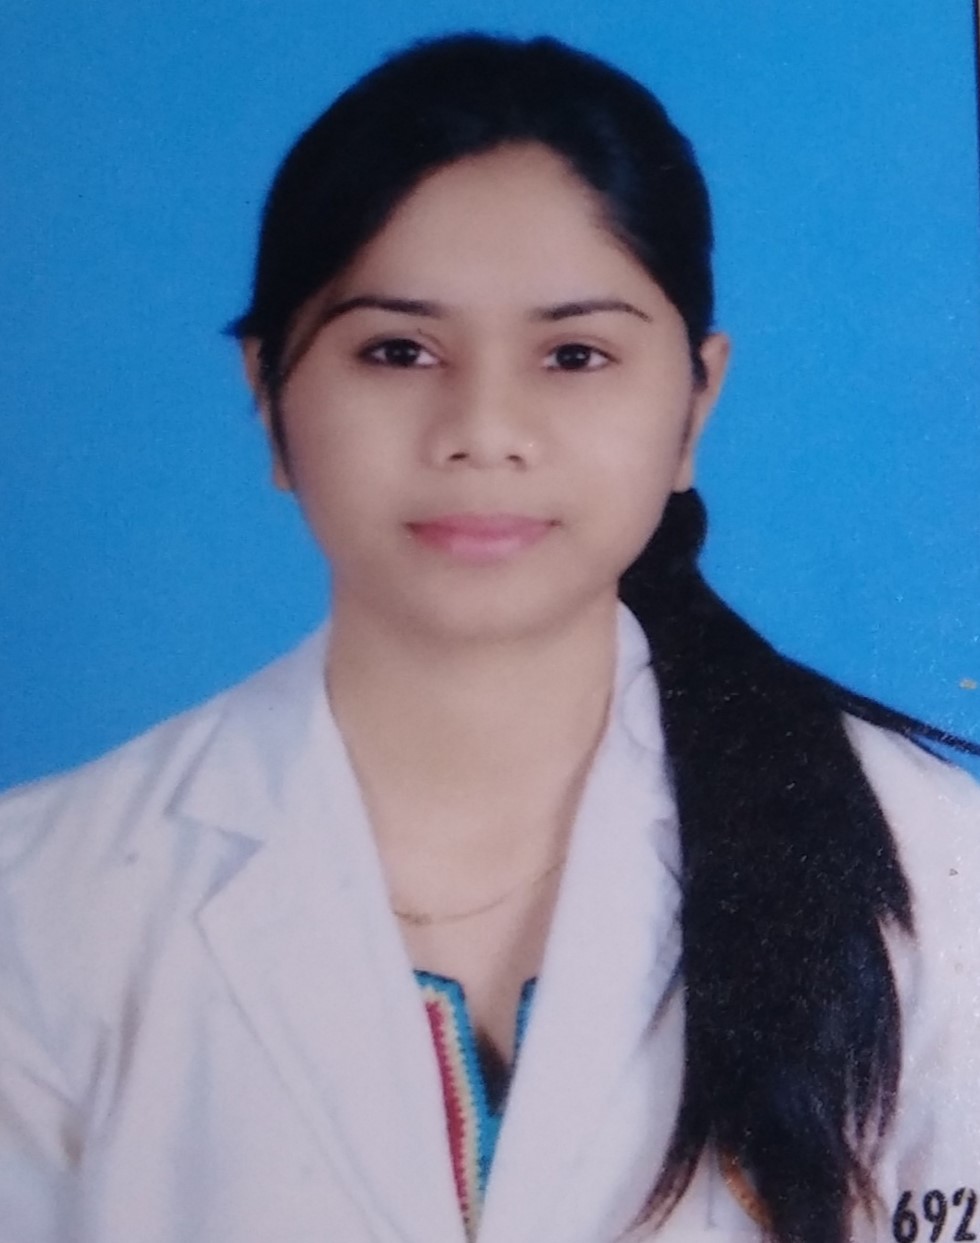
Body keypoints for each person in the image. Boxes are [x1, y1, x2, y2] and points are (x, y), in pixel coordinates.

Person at [1, 32, 978, 1243]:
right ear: (267, 391)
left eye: (573, 354)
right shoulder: (41, 903)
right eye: (396, 350)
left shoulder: (935, 871)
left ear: (693, 403)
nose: (482, 429)